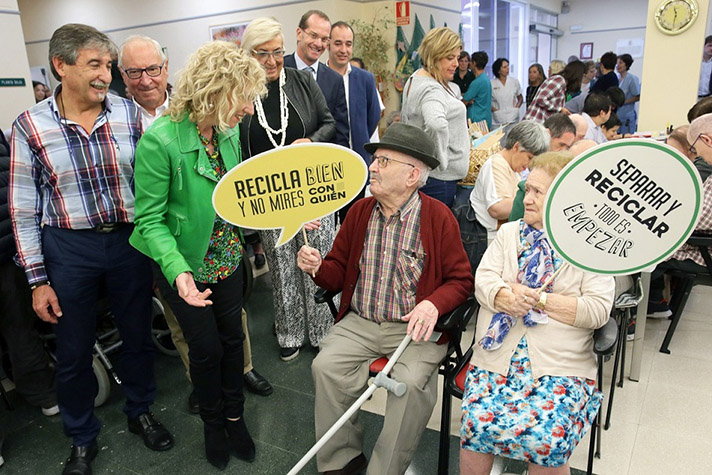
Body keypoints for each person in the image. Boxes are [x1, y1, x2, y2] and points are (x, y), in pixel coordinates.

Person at [9, 23, 173, 475]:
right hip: (68, 248)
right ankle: (82, 438)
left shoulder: (128, 113)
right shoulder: (30, 126)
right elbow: (24, 210)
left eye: (108, 65)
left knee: (137, 337)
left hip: (127, 241)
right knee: (75, 349)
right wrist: (37, 279)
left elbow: (160, 180)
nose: (106, 75)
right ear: (61, 67)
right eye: (94, 65)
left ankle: (140, 411)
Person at [297, 122, 473, 475]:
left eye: (383, 161)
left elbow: (461, 280)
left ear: (411, 175)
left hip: (413, 329)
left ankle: (385, 470)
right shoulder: (360, 212)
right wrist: (317, 267)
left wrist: (433, 303)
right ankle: (341, 462)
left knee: (408, 387)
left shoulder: (437, 218)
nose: (372, 168)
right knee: (325, 367)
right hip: (360, 321)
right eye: (375, 160)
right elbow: (336, 270)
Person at [130, 41, 265, 470]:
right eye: (243, 96)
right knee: (204, 349)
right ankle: (212, 423)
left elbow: (240, 195)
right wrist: (179, 273)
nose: (247, 108)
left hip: (225, 256)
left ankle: (234, 416)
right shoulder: (160, 142)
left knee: (231, 342)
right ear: (217, 90)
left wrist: (291, 215)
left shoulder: (226, 133)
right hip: (183, 263)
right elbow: (148, 222)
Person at [460, 151, 614, 475]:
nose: (526, 199)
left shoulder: (592, 244)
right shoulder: (508, 234)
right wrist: (503, 295)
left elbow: (598, 310)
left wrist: (539, 300)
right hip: (497, 356)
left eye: (537, 192)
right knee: (477, 427)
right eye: (526, 189)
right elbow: (484, 279)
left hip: (560, 365)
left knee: (545, 438)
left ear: (563, 198)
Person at [240, 17, 337, 361]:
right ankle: (290, 333)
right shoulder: (240, 92)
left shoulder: (299, 80)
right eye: (262, 53)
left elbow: (329, 123)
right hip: (268, 197)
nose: (271, 61)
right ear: (247, 54)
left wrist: (309, 141)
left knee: (317, 259)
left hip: (314, 189)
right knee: (281, 266)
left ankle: (325, 331)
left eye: (277, 52)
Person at [0, 138, 58, 418]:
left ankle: (40, 393)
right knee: (20, 328)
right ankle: (44, 396)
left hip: (9, 250)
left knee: (18, 328)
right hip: (12, 247)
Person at [648, 114, 712, 316]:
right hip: (703, 243)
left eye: (694, 149)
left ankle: (644, 308)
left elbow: (696, 222)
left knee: (643, 249)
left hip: (703, 252)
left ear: (706, 140)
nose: (698, 156)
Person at [400, 27, 469, 208]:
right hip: (439, 180)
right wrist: (440, 161)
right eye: (449, 58)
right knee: (436, 233)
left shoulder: (417, 78)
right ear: (433, 56)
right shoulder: (432, 88)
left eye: (457, 57)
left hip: (428, 176)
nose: (456, 63)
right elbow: (436, 125)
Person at [469, 121, 549, 271]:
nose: (529, 164)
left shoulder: (514, 169)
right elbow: (496, 208)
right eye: (529, 157)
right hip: (485, 241)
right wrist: (530, 199)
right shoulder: (496, 164)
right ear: (517, 147)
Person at [327, 21, 382, 221]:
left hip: (356, 164)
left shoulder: (365, 79)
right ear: (328, 44)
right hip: (327, 168)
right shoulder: (317, 79)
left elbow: (373, 116)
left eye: (348, 44)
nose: (344, 50)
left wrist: (359, 138)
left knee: (354, 222)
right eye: (338, 43)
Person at [283, 9, 349, 148]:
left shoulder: (335, 81)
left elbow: (340, 134)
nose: (319, 44)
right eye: (313, 35)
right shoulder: (280, 69)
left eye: (324, 39)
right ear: (299, 33)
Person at [508, 113, 575, 221]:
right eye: (561, 145)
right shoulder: (526, 163)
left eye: (567, 147)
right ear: (548, 134)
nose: (563, 151)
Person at [463, 51, 492, 129]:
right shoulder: (486, 79)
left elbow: (465, 101)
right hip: (485, 119)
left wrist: (466, 100)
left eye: (470, 61)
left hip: (478, 122)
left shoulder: (477, 82)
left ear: (474, 63)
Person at [490, 57, 523, 126]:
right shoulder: (491, 83)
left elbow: (520, 97)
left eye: (508, 66)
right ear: (499, 70)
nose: (508, 68)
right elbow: (487, 101)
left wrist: (516, 108)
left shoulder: (514, 81)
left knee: (512, 135)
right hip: (497, 119)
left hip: (512, 117)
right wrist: (494, 110)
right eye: (504, 67)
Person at [616, 54, 641, 135]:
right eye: (617, 63)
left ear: (627, 64)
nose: (618, 65)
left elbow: (637, 97)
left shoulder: (632, 78)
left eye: (621, 63)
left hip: (627, 115)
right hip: (617, 116)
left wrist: (623, 102)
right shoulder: (616, 78)